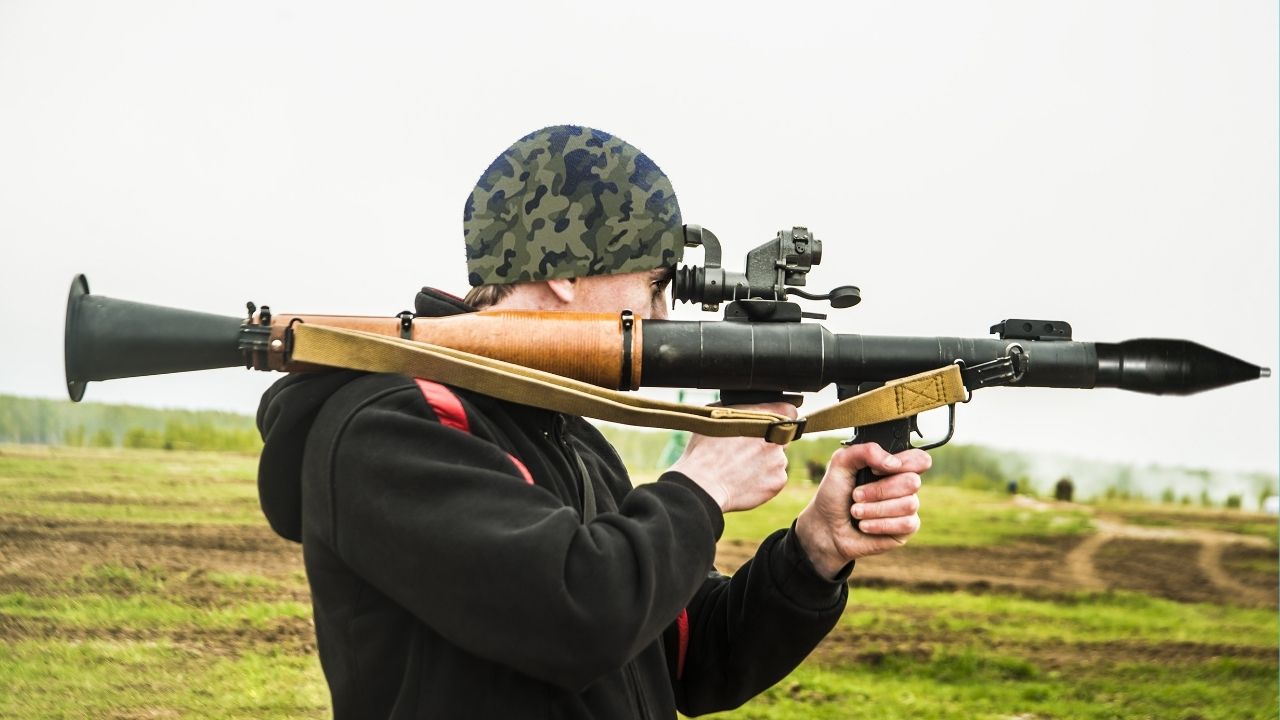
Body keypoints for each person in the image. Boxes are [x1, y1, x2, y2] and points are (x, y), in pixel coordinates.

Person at [256, 125, 928, 719]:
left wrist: (815, 552)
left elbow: (687, 658)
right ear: (567, 273)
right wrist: (702, 485)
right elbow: (576, 615)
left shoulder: (568, 435)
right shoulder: (392, 424)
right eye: (655, 285)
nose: (662, 317)